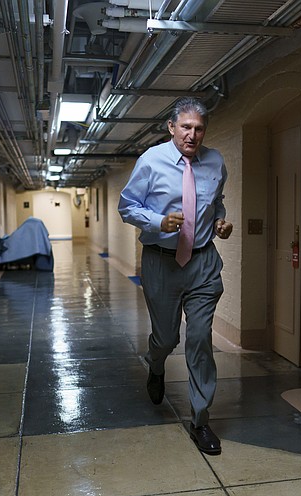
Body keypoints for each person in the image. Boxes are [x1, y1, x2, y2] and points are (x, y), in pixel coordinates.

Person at [118, 97, 233, 455]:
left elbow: (216, 201)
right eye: (186, 127)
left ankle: (200, 419)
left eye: (199, 129)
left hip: (202, 262)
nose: (192, 135)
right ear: (171, 127)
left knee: (199, 339)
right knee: (166, 338)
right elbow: (127, 206)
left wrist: (219, 222)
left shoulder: (215, 162)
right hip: (161, 261)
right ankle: (156, 365)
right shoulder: (151, 161)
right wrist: (158, 222)